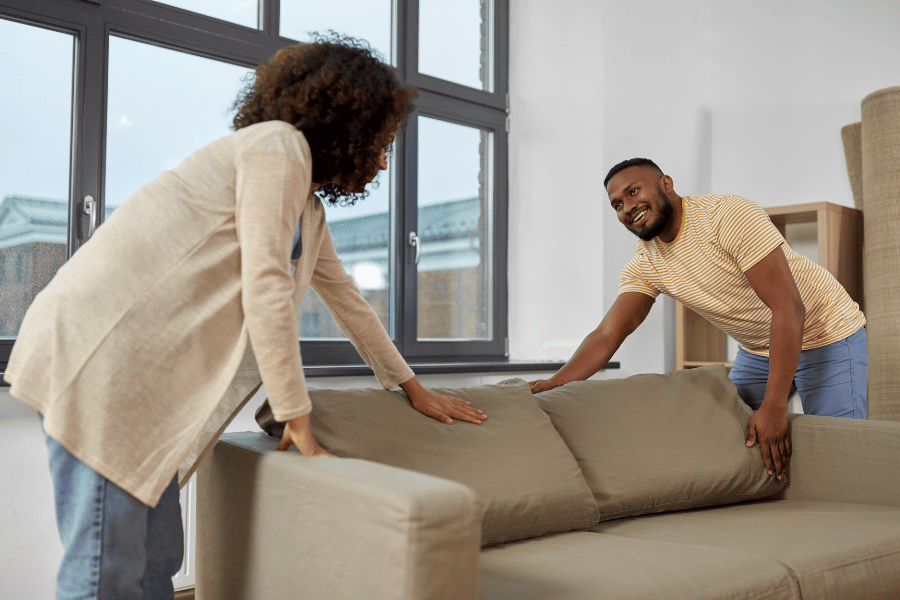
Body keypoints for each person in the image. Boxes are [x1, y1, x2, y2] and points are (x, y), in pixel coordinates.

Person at [3, 35, 486, 600]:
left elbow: (349, 302)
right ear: (349, 125)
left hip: (142, 382)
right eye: (381, 139)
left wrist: (410, 386)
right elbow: (266, 285)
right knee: (106, 566)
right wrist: (295, 415)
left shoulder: (309, 207)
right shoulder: (275, 149)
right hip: (98, 360)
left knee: (157, 556)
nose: (384, 156)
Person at [530, 157, 867, 483]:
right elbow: (610, 331)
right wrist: (555, 383)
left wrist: (775, 406)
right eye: (616, 204)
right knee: (730, 436)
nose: (627, 207)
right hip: (758, 347)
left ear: (666, 183)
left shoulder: (726, 216)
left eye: (633, 191)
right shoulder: (646, 263)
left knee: (839, 453)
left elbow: (789, 309)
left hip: (827, 333)